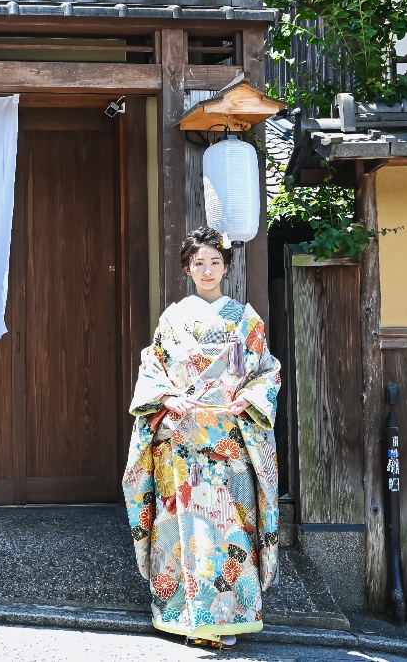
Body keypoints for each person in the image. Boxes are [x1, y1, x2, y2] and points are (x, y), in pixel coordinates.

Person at [123, 226, 281, 649]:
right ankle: (182, 616)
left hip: (228, 442)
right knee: (180, 530)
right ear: (187, 269)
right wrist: (167, 397)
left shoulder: (245, 320)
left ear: (226, 267)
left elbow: (265, 371)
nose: (207, 270)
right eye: (198, 263)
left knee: (231, 531)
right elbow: (153, 368)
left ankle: (228, 617)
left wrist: (249, 396)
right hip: (181, 441)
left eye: (215, 262)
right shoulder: (172, 319)